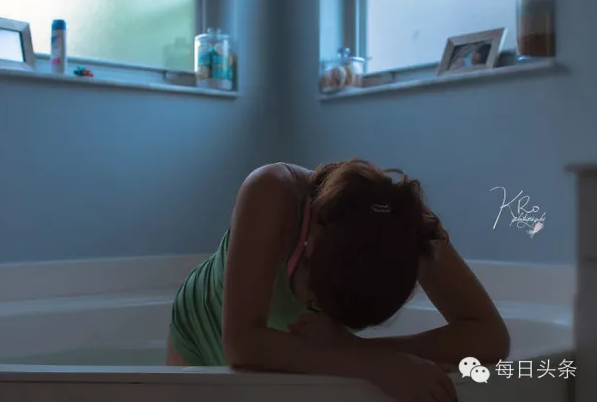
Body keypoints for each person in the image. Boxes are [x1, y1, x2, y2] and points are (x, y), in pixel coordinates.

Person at [167, 159, 510, 402]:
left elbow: (491, 337)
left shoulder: (413, 231)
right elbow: (243, 343)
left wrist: (360, 350)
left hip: (283, 348)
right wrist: (367, 363)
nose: (311, 308)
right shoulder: (272, 191)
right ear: (310, 241)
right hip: (202, 323)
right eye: (315, 297)